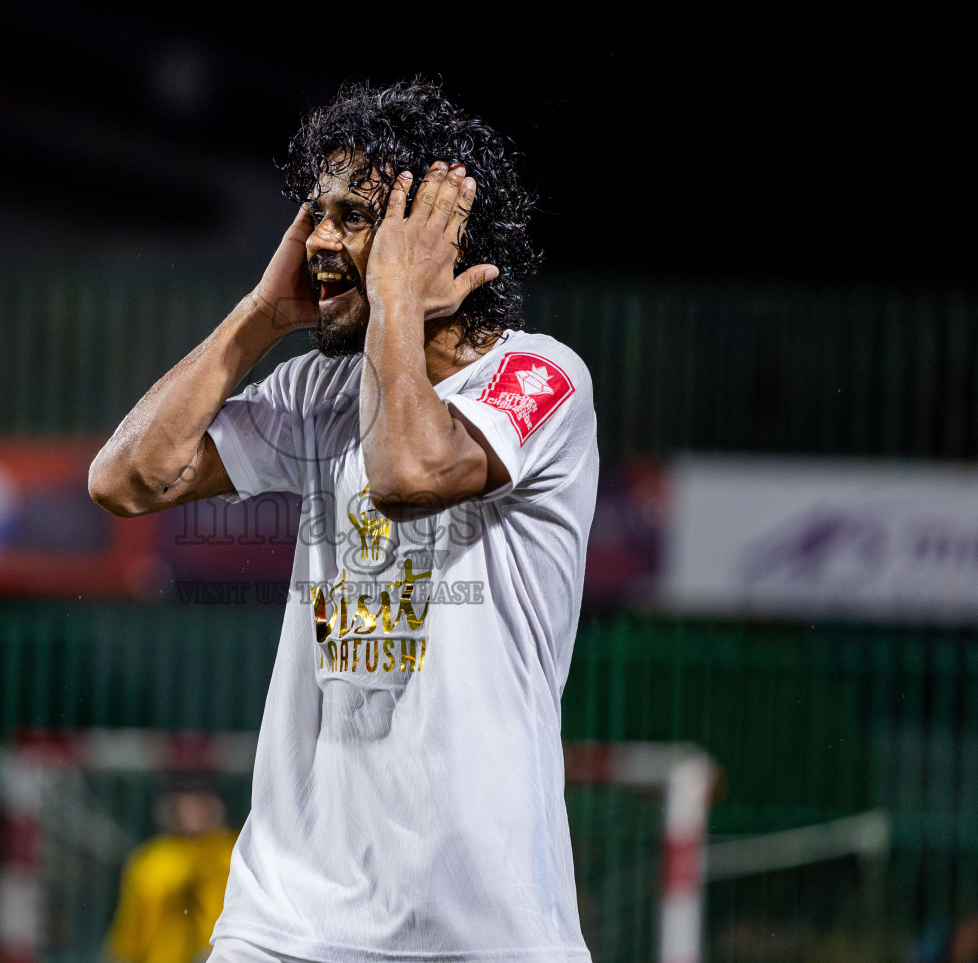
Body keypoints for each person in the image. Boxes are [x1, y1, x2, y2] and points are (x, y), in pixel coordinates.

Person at [89, 79, 599, 963]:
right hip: (289, 922)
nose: (318, 240)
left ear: (438, 244)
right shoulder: (319, 391)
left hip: (481, 930)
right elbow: (128, 478)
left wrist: (397, 300)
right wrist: (259, 317)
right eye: (314, 213)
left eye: (352, 216)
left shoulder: (541, 378)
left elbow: (408, 472)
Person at [104, 779, 238, 963]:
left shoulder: (234, 854)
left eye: (201, 802)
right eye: (187, 804)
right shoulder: (150, 860)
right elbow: (130, 928)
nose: (194, 811)